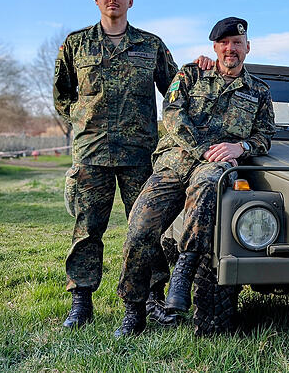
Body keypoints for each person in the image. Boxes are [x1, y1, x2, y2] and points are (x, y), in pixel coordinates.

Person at [115, 17, 276, 337]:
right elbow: (172, 114)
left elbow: (265, 135)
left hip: (216, 165)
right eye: (224, 43)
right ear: (215, 47)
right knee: (140, 228)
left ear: (248, 48)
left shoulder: (259, 91)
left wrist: (240, 146)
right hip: (176, 161)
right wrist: (202, 148)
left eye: (237, 43)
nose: (231, 49)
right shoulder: (191, 74)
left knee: (207, 189)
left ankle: (184, 271)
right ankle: (134, 309)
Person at [53, 0, 177, 329]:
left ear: (130, 1)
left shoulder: (151, 45)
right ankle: (81, 301)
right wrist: (80, 121)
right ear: (97, 1)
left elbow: (175, 93)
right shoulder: (76, 44)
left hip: (139, 154)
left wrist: (200, 68)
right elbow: (62, 94)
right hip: (91, 154)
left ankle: (151, 298)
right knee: (87, 229)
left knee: (146, 228)